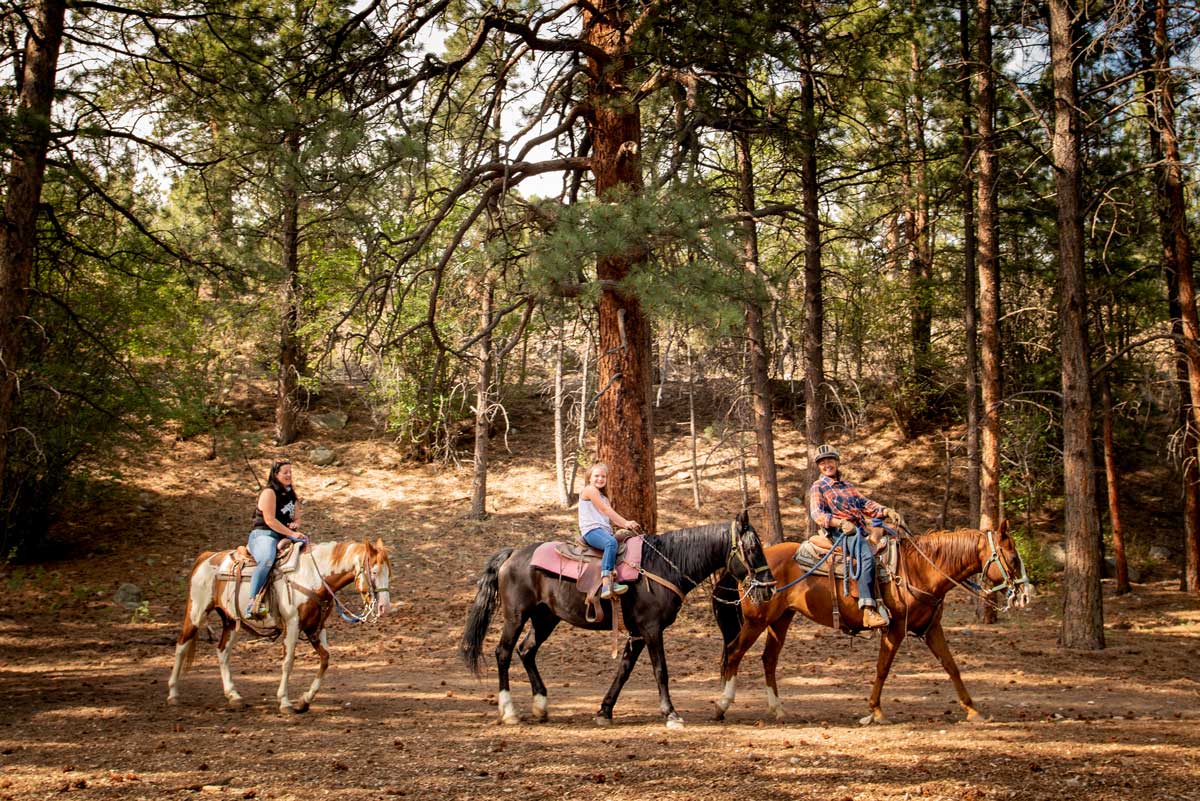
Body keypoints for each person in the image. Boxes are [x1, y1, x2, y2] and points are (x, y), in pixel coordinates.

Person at [808, 444, 907, 629]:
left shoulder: (847, 486)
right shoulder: (818, 486)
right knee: (866, 557)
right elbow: (817, 514)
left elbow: (865, 504)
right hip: (840, 532)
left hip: (859, 530)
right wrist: (840, 523)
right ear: (819, 467)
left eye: (830, 461)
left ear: (836, 462)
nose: (826, 465)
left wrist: (885, 510)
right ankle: (868, 609)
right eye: (822, 463)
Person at [244, 459, 308, 618]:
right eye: (285, 472)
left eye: (290, 472)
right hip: (264, 534)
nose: (288, 475)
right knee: (266, 559)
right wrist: (292, 534)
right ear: (275, 474)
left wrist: (296, 525)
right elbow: (270, 520)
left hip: (284, 535)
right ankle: (252, 602)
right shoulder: (269, 492)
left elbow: (297, 517)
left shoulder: (291, 494)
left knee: (307, 547)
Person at [578, 462, 641, 600]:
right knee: (610, 543)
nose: (600, 479)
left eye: (603, 476)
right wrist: (626, 522)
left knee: (624, 541)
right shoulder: (589, 490)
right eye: (596, 476)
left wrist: (626, 526)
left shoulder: (604, 498)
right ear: (589, 477)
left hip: (603, 531)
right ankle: (607, 582)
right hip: (591, 531)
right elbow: (605, 510)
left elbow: (610, 516)